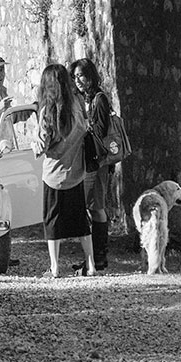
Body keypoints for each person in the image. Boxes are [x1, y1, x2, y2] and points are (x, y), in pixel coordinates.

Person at [32, 62, 96, 279]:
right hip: (76, 172)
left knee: (52, 222)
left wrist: (33, 145)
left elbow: (42, 145)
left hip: (53, 175)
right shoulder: (77, 104)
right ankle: (91, 265)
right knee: (81, 221)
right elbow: (85, 128)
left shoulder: (47, 111)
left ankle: (55, 268)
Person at [70, 57, 111, 271]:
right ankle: (92, 257)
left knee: (97, 207)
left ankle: (99, 257)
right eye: (75, 76)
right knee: (90, 207)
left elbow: (102, 132)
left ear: (90, 76)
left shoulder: (99, 99)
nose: (78, 80)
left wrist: (85, 126)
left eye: (82, 76)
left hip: (98, 162)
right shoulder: (82, 99)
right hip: (87, 161)